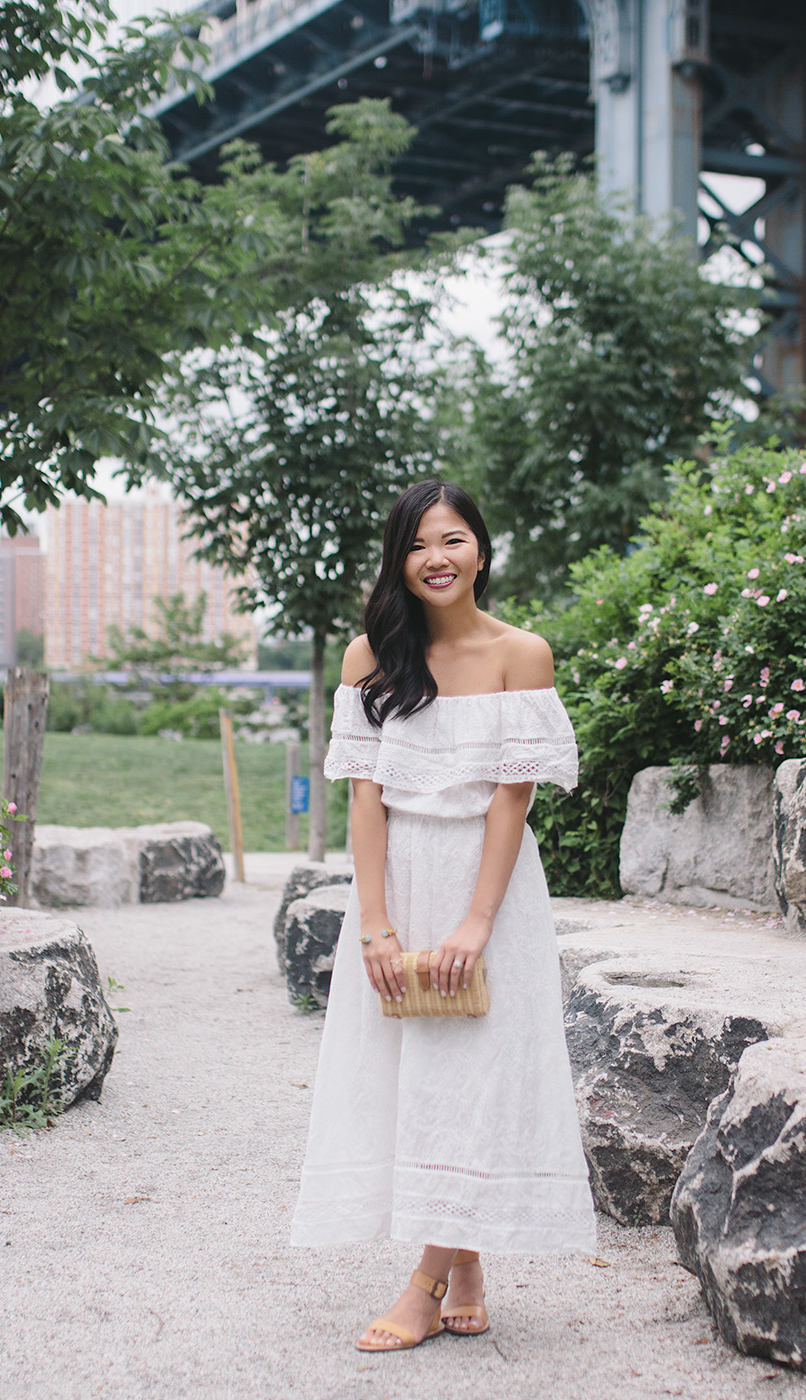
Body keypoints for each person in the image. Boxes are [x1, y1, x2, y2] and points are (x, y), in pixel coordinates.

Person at [290, 480, 596, 1351]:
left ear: (482, 552)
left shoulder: (520, 654)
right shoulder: (369, 657)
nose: (437, 558)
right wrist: (376, 924)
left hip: (486, 887)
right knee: (408, 1078)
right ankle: (465, 1261)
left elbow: (511, 803)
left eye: (454, 539)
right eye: (419, 544)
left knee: (471, 1078)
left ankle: (424, 1283)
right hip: (398, 884)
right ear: (400, 560)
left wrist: (475, 925)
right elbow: (364, 802)